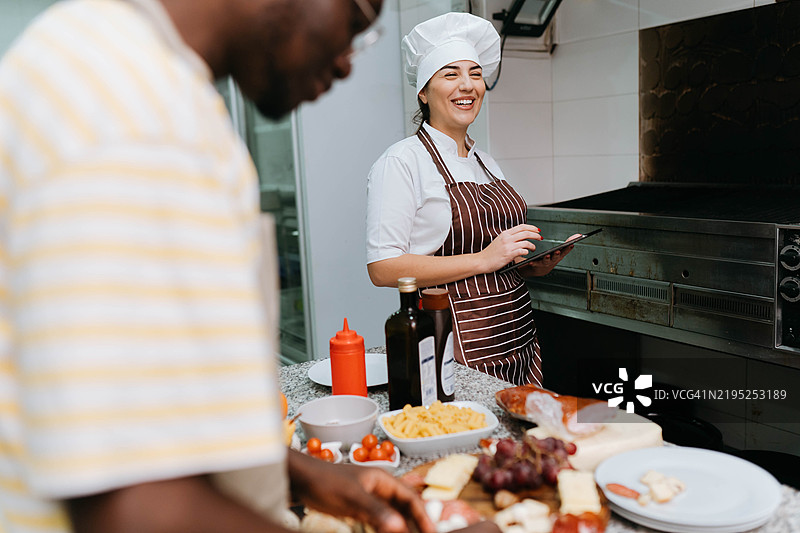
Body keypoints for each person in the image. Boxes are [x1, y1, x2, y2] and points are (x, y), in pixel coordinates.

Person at [0, 1, 495, 533]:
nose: (348, 61)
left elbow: (156, 411)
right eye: (353, 22)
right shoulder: (128, 111)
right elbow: (131, 506)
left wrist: (298, 474)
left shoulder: (124, 71)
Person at [366, 12, 577, 387]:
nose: (467, 86)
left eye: (475, 74)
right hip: (456, 345)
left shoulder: (484, 161)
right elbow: (383, 267)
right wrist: (485, 258)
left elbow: (489, 263)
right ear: (423, 91)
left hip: (518, 338)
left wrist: (526, 266)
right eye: (451, 74)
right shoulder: (401, 162)